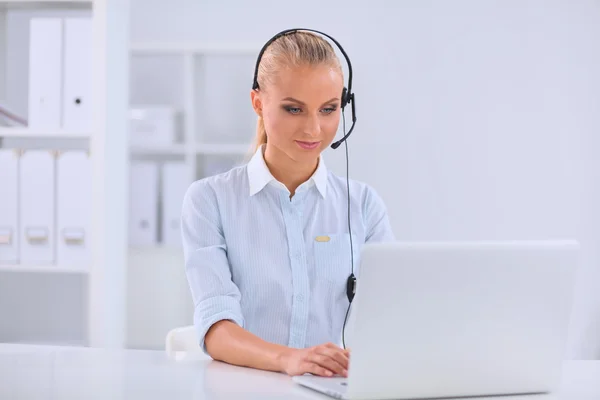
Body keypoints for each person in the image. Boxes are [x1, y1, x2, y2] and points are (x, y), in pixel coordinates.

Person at [180, 30, 395, 378]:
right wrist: (289, 359)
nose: (313, 128)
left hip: (334, 389)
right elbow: (216, 326)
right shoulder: (210, 200)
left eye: (328, 109)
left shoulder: (364, 205)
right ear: (258, 103)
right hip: (244, 390)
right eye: (293, 108)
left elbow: (390, 313)